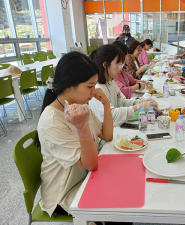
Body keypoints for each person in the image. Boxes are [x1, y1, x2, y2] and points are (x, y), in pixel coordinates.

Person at [34, 52, 114, 217]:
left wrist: (106, 104)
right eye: (90, 86)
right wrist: (82, 126)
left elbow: (107, 135)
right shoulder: (52, 121)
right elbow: (91, 164)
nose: (93, 92)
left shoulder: (78, 105)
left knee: (121, 194)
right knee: (115, 209)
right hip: (64, 194)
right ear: (69, 86)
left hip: (86, 179)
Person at [89, 44, 158, 127]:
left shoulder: (111, 82)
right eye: (118, 64)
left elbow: (122, 101)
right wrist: (139, 107)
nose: (121, 68)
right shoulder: (97, 89)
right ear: (105, 65)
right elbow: (112, 115)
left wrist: (141, 102)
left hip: (117, 127)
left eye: (121, 64)